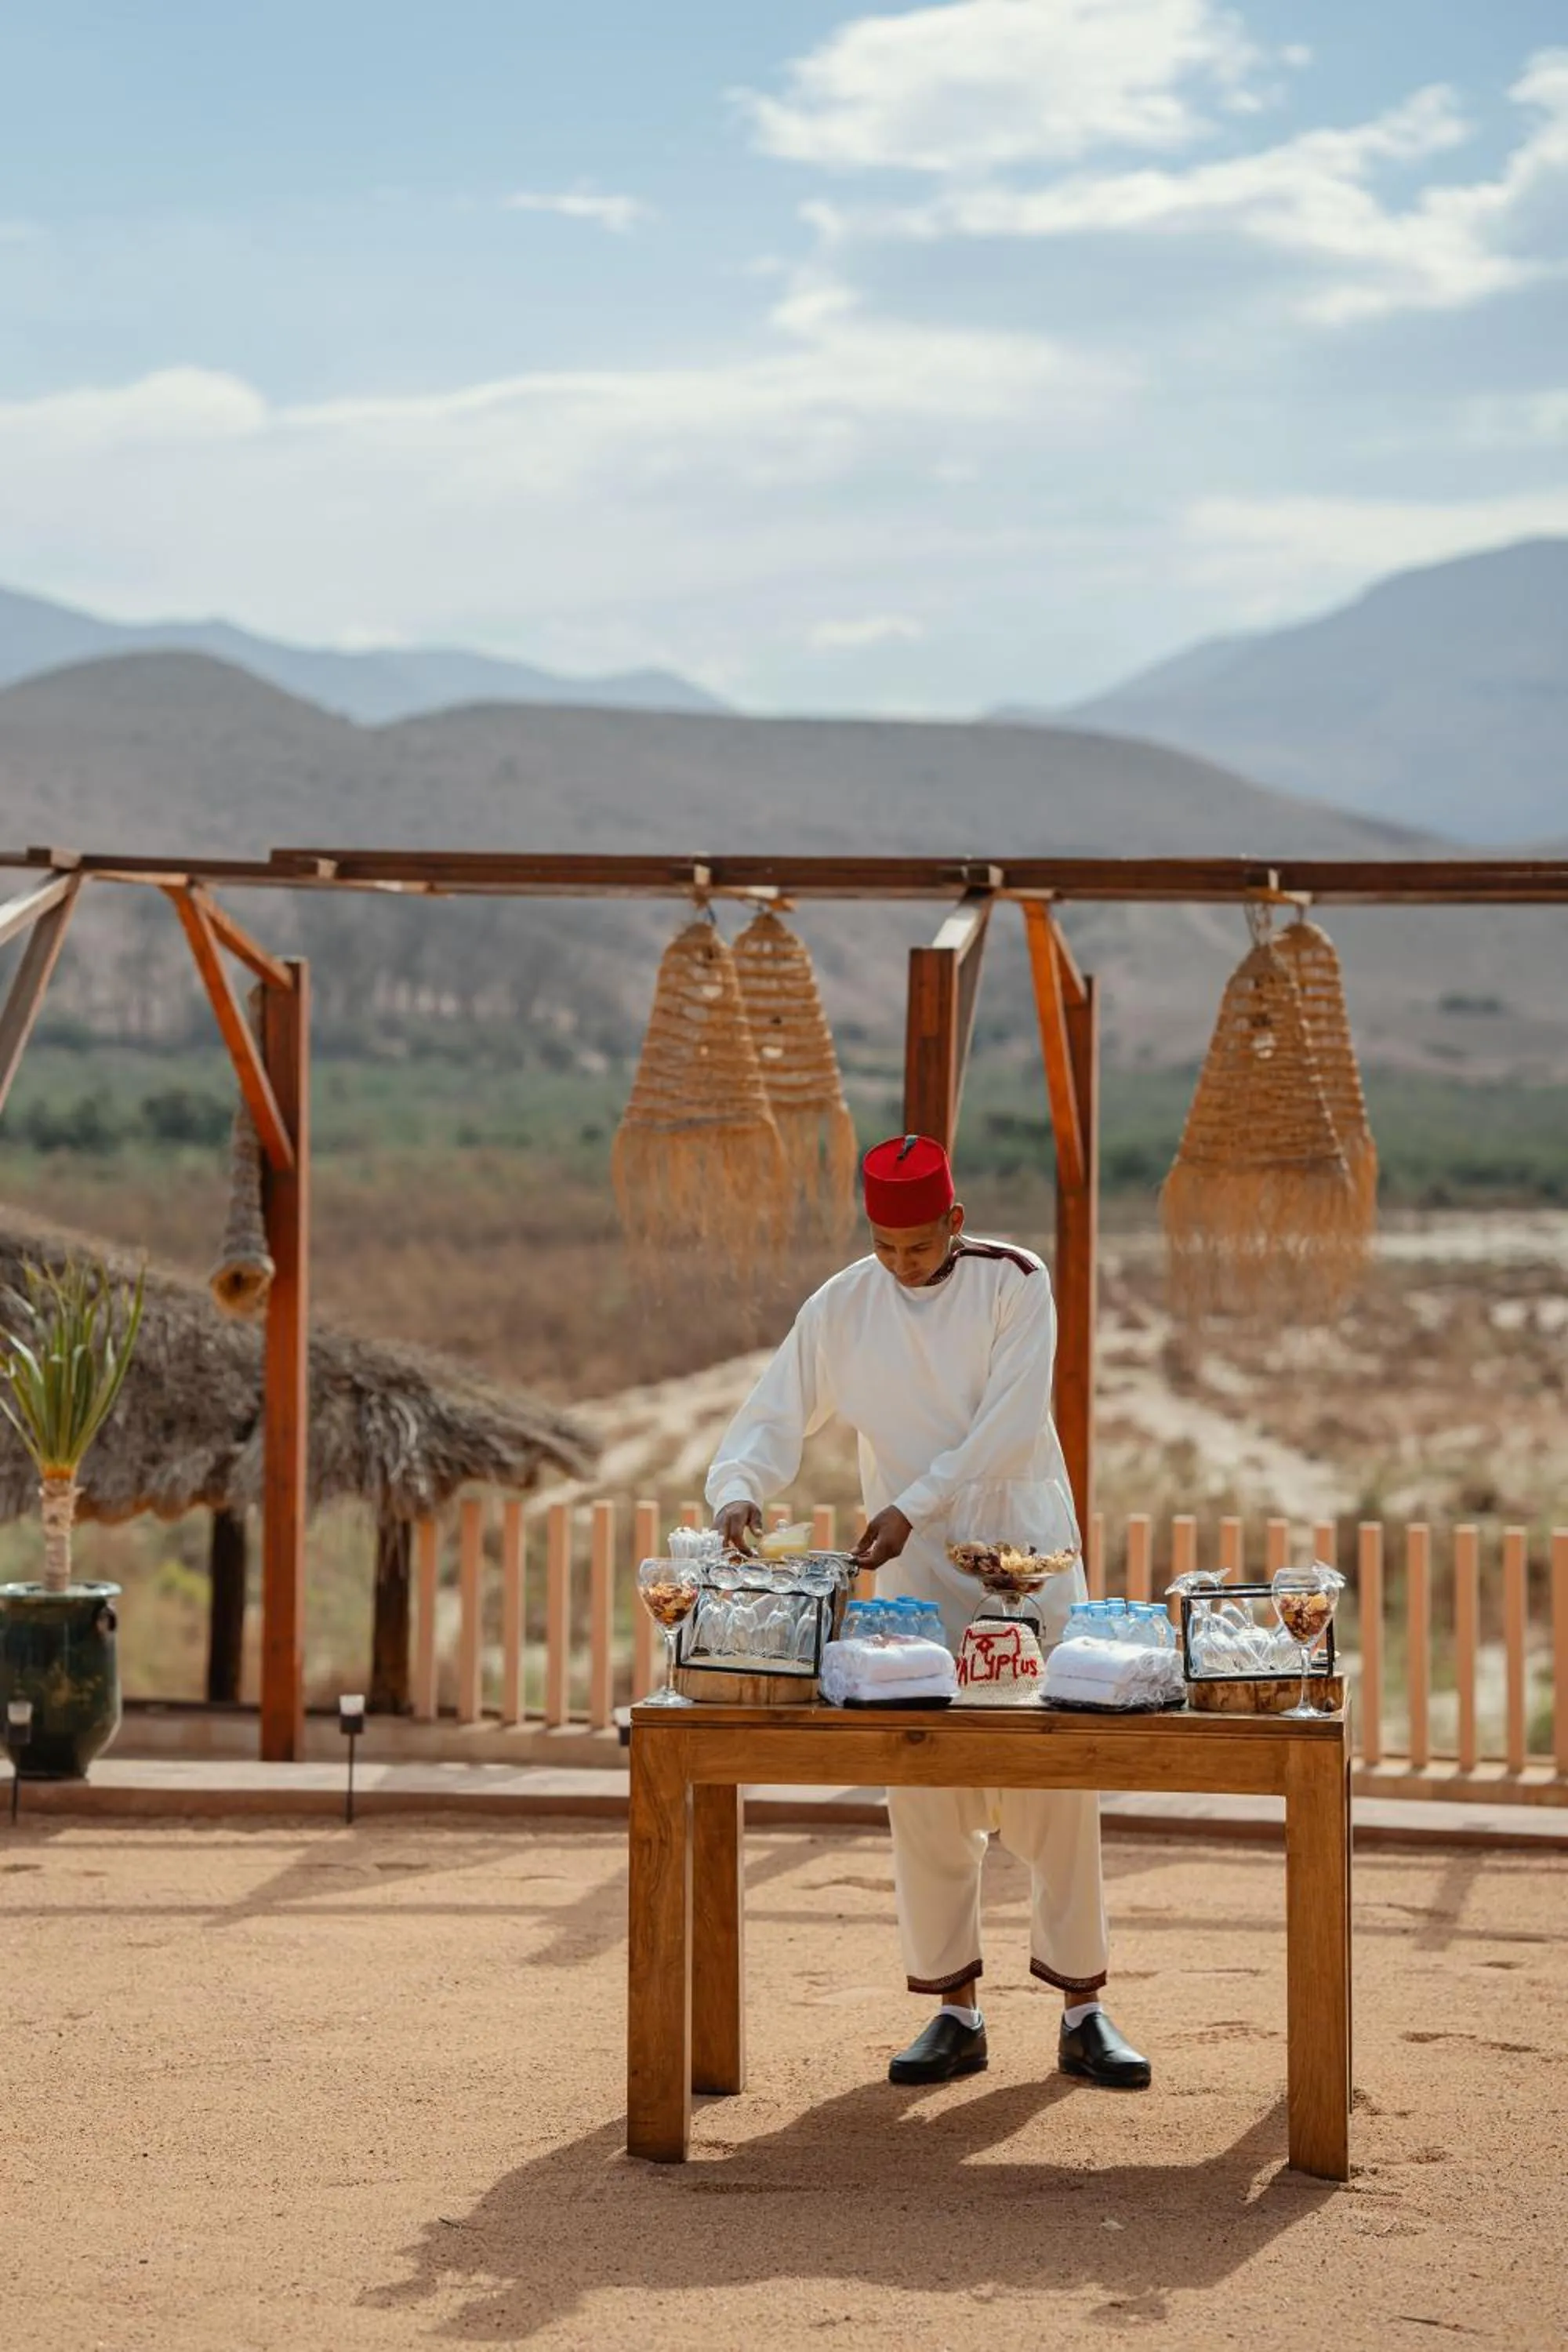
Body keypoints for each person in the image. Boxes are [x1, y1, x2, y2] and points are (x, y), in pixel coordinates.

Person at [706, 1132, 1152, 2091]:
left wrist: (914, 1503)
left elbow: (1008, 1424)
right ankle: (955, 2011)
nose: (901, 1264)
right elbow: (775, 1408)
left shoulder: (1013, 1282)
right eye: (884, 1246)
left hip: (1025, 1562)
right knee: (921, 1784)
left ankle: (1082, 2011)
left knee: (1054, 1776)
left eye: (917, 1245)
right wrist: (737, 1488)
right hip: (908, 1577)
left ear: (954, 1220)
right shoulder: (842, 1304)